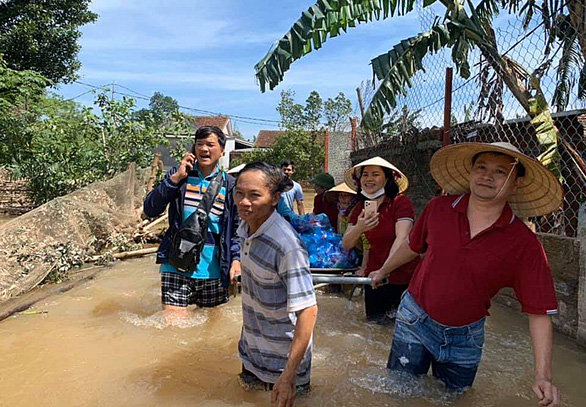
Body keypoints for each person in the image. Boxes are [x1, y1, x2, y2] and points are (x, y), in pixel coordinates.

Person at [370, 142, 563, 404]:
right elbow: (413, 246)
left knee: (454, 400)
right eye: (481, 167)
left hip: (465, 337)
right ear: (471, 173)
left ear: (516, 184)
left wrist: (543, 376)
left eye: (500, 172)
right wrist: (383, 270)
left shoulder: (524, 243)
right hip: (415, 319)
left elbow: (539, 311)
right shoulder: (439, 208)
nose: (487, 176)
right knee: (398, 393)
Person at [235, 162, 318, 407]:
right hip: (252, 353)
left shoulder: (286, 246)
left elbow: (309, 310)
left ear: (275, 199)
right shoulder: (246, 226)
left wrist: (289, 375)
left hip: (284, 365)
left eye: (254, 195)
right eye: (239, 193)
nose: (244, 202)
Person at [143, 126, 241, 317]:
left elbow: (236, 229)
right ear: (193, 149)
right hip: (176, 262)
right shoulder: (180, 176)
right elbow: (150, 209)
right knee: (174, 325)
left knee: (211, 328)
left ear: (222, 150)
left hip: (214, 267)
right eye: (199, 144)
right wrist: (176, 177)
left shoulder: (230, 184)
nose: (204, 149)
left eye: (210, 144)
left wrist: (236, 260)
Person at [342, 157, 419, 324]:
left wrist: (384, 270)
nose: (369, 179)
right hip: (374, 278)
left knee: (400, 329)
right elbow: (346, 244)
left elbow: (403, 238)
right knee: (373, 328)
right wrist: (359, 228)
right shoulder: (360, 208)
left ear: (387, 178)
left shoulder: (400, 203)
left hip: (402, 278)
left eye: (375, 174)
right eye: (365, 175)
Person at [326, 182, 370, 271]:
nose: (342, 198)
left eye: (346, 195)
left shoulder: (359, 213)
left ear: (354, 198)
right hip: (350, 254)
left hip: (364, 255)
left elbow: (367, 243)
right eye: (340, 195)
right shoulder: (341, 214)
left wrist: (364, 267)